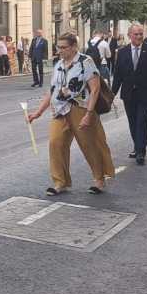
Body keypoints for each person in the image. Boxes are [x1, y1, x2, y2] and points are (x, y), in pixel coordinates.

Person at [27, 33, 115, 195]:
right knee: (55, 143)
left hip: (80, 109)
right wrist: (38, 112)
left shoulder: (86, 62)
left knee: (90, 145)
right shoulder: (58, 64)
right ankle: (60, 182)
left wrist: (89, 114)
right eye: (58, 47)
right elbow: (52, 90)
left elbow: (95, 90)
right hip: (59, 110)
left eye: (63, 47)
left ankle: (99, 179)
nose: (60, 51)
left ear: (74, 47)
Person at [111, 24, 147, 166]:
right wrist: (111, 94)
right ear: (129, 35)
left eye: (141, 34)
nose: (139, 36)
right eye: (136, 34)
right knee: (133, 122)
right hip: (128, 93)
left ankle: (141, 151)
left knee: (142, 121)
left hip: (146, 93)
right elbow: (118, 75)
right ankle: (137, 146)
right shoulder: (122, 52)